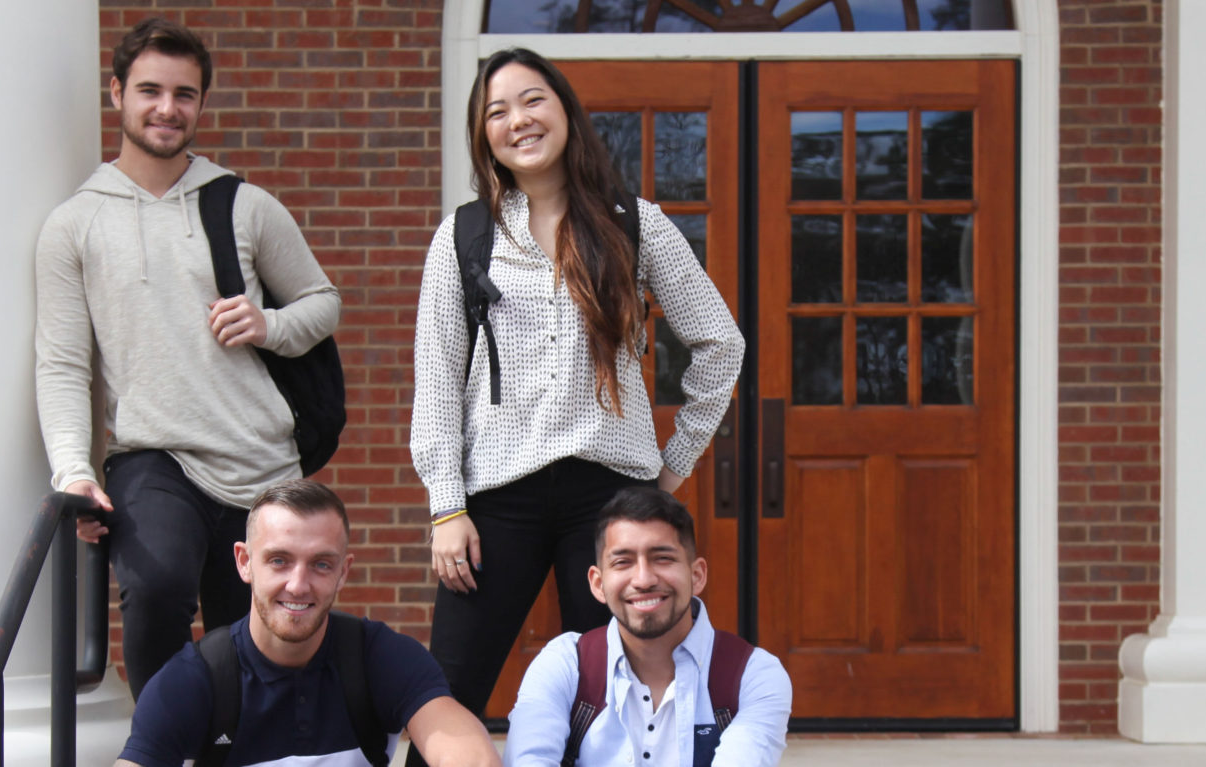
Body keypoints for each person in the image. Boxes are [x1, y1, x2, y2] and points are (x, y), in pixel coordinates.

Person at [408, 46, 744, 741]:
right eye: (496, 111)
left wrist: (674, 461)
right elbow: (437, 377)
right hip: (496, 498)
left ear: (564, 109)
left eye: (532, 99)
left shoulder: (634, 224)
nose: (518, 120)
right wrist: (447, 506)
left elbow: (721, 342)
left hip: (609, 499)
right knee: (449, 691)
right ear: (483, 135)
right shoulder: (464, 237)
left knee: (608, 701)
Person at [35, 17, 341, 696]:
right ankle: (163, 741)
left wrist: (267, 324)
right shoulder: (73, 226)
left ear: (202, 102)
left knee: (262, 638)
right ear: (116, 93)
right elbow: (61, 363)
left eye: (184, 94)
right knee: (156, 585)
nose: (167, 108)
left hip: (261, 458)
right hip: (156, 454)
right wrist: (72, 469)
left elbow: (322, 304)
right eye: (149, 90)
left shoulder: (244, 205)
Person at [115, 480, 500, 767]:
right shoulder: (194, 679)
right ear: (245, 562)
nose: (298, 585)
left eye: (320, 564)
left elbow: (469, 753)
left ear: (343, 571)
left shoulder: (379, 657)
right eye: (279, 560)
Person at [504, 487, 790, 767]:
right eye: (623, 562)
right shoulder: (564, 664)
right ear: (598, 584)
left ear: (697, 575)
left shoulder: (754, 676)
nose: (643, 579)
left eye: (662, 558)